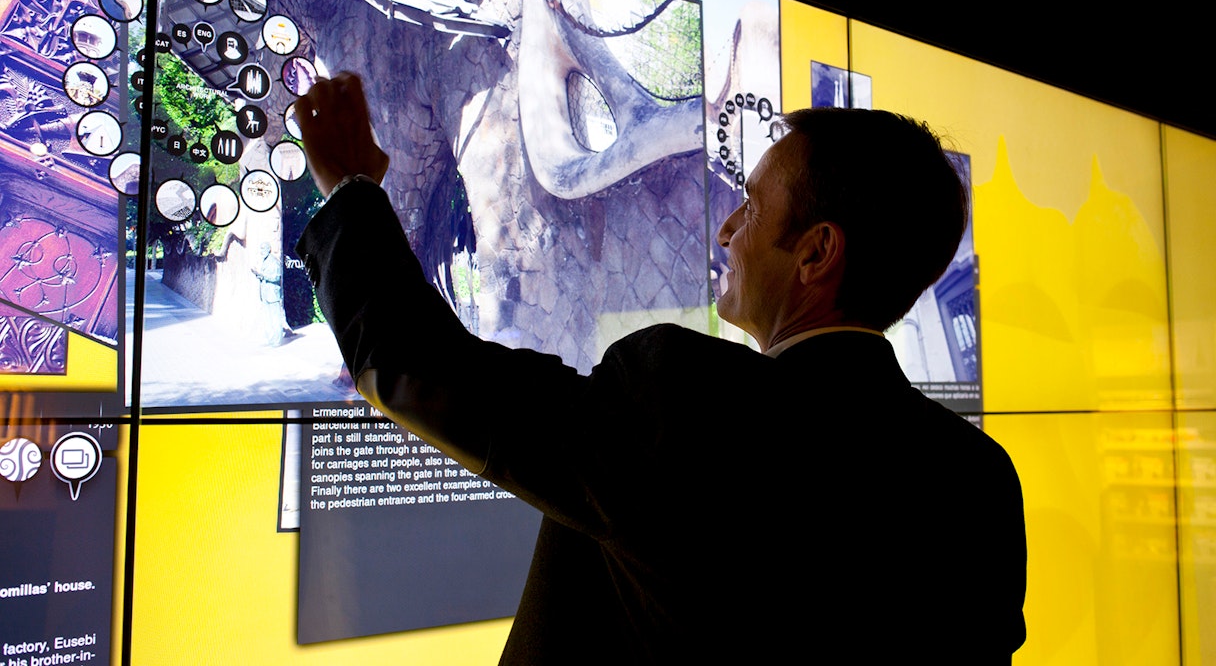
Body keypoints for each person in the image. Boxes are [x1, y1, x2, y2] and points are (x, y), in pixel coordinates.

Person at [294, 73, 1027, 664]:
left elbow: (421, 371)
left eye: (749, 205)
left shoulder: (692, 402)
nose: (727, 230)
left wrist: (350, 190)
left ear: (814, 253)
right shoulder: (981, 477)